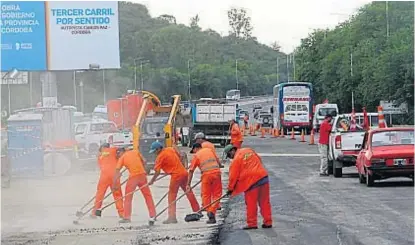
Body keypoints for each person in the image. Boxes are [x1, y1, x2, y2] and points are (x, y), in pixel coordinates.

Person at [148, 141, 200, 224]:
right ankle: (197, 210)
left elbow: (157, 172)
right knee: (189, 192)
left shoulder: (160, 157)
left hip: (176, 176)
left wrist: (152, 181)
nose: (154, 153)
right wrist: (170, 168)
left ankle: (172, 217)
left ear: (158, 149)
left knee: (171, 196)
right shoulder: (170, 149)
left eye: (154, 151)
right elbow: (180, 155)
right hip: (183, 173)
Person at [224, 144, 272, 230]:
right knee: (265, 202)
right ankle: (268, 222)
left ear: (232, 151)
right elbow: (259, 160)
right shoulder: (249, 150)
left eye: (229, 155)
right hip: (263, 177)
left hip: (251, 182)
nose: (230, 157)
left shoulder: (236, 160)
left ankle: (252, 224)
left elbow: (233, 177)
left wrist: (230, 189)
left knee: (251, 204)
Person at [114, 147, 156, 223]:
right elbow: (144, 161)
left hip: (133, 177)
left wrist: (114, 185)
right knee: (148, 196)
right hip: (142, 176)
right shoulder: (135, 152)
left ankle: (127, 217)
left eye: (118, 153)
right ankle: (153, 215)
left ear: (121, 152)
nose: (118, 155)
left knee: (128, 197)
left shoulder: (122, 158)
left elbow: (117, 171)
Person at [187, 143, 222, 224]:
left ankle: (210, 213)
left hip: (206, 175)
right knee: (217, 195)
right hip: (216, 173)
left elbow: (191, 170)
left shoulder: (197, 155)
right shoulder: (209, 150)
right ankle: (212, 211)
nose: (194, 152)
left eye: (194, 151)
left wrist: (188, 184)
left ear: (196, 148)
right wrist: (219, 166)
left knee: (206, 195)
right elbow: (218, 161)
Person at [91, 143, 124, 219]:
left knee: (100, 194)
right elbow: (122, 152)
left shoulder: (100, 155)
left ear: (102, 148)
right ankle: (122, 213)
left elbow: (101, 166)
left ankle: (94, 212)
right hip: (114, 175)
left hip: (104, 176)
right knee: (117, 195)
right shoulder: (114, 150)